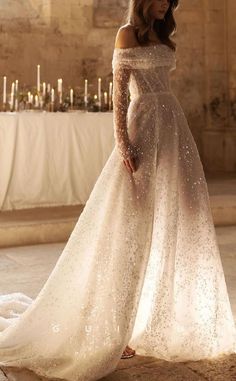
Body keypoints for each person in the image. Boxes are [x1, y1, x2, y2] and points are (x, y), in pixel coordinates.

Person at [0, 0, 236, 380]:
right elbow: (120, 92)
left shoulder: (162, 33)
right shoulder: (126, 34)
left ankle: (161, 317)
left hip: (173, 127)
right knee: (131, 227)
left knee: (181, 216)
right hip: (143, 125)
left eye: (170, 2)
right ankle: (117, 328)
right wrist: (122, 142)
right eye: (161, 0)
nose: (166, 6)